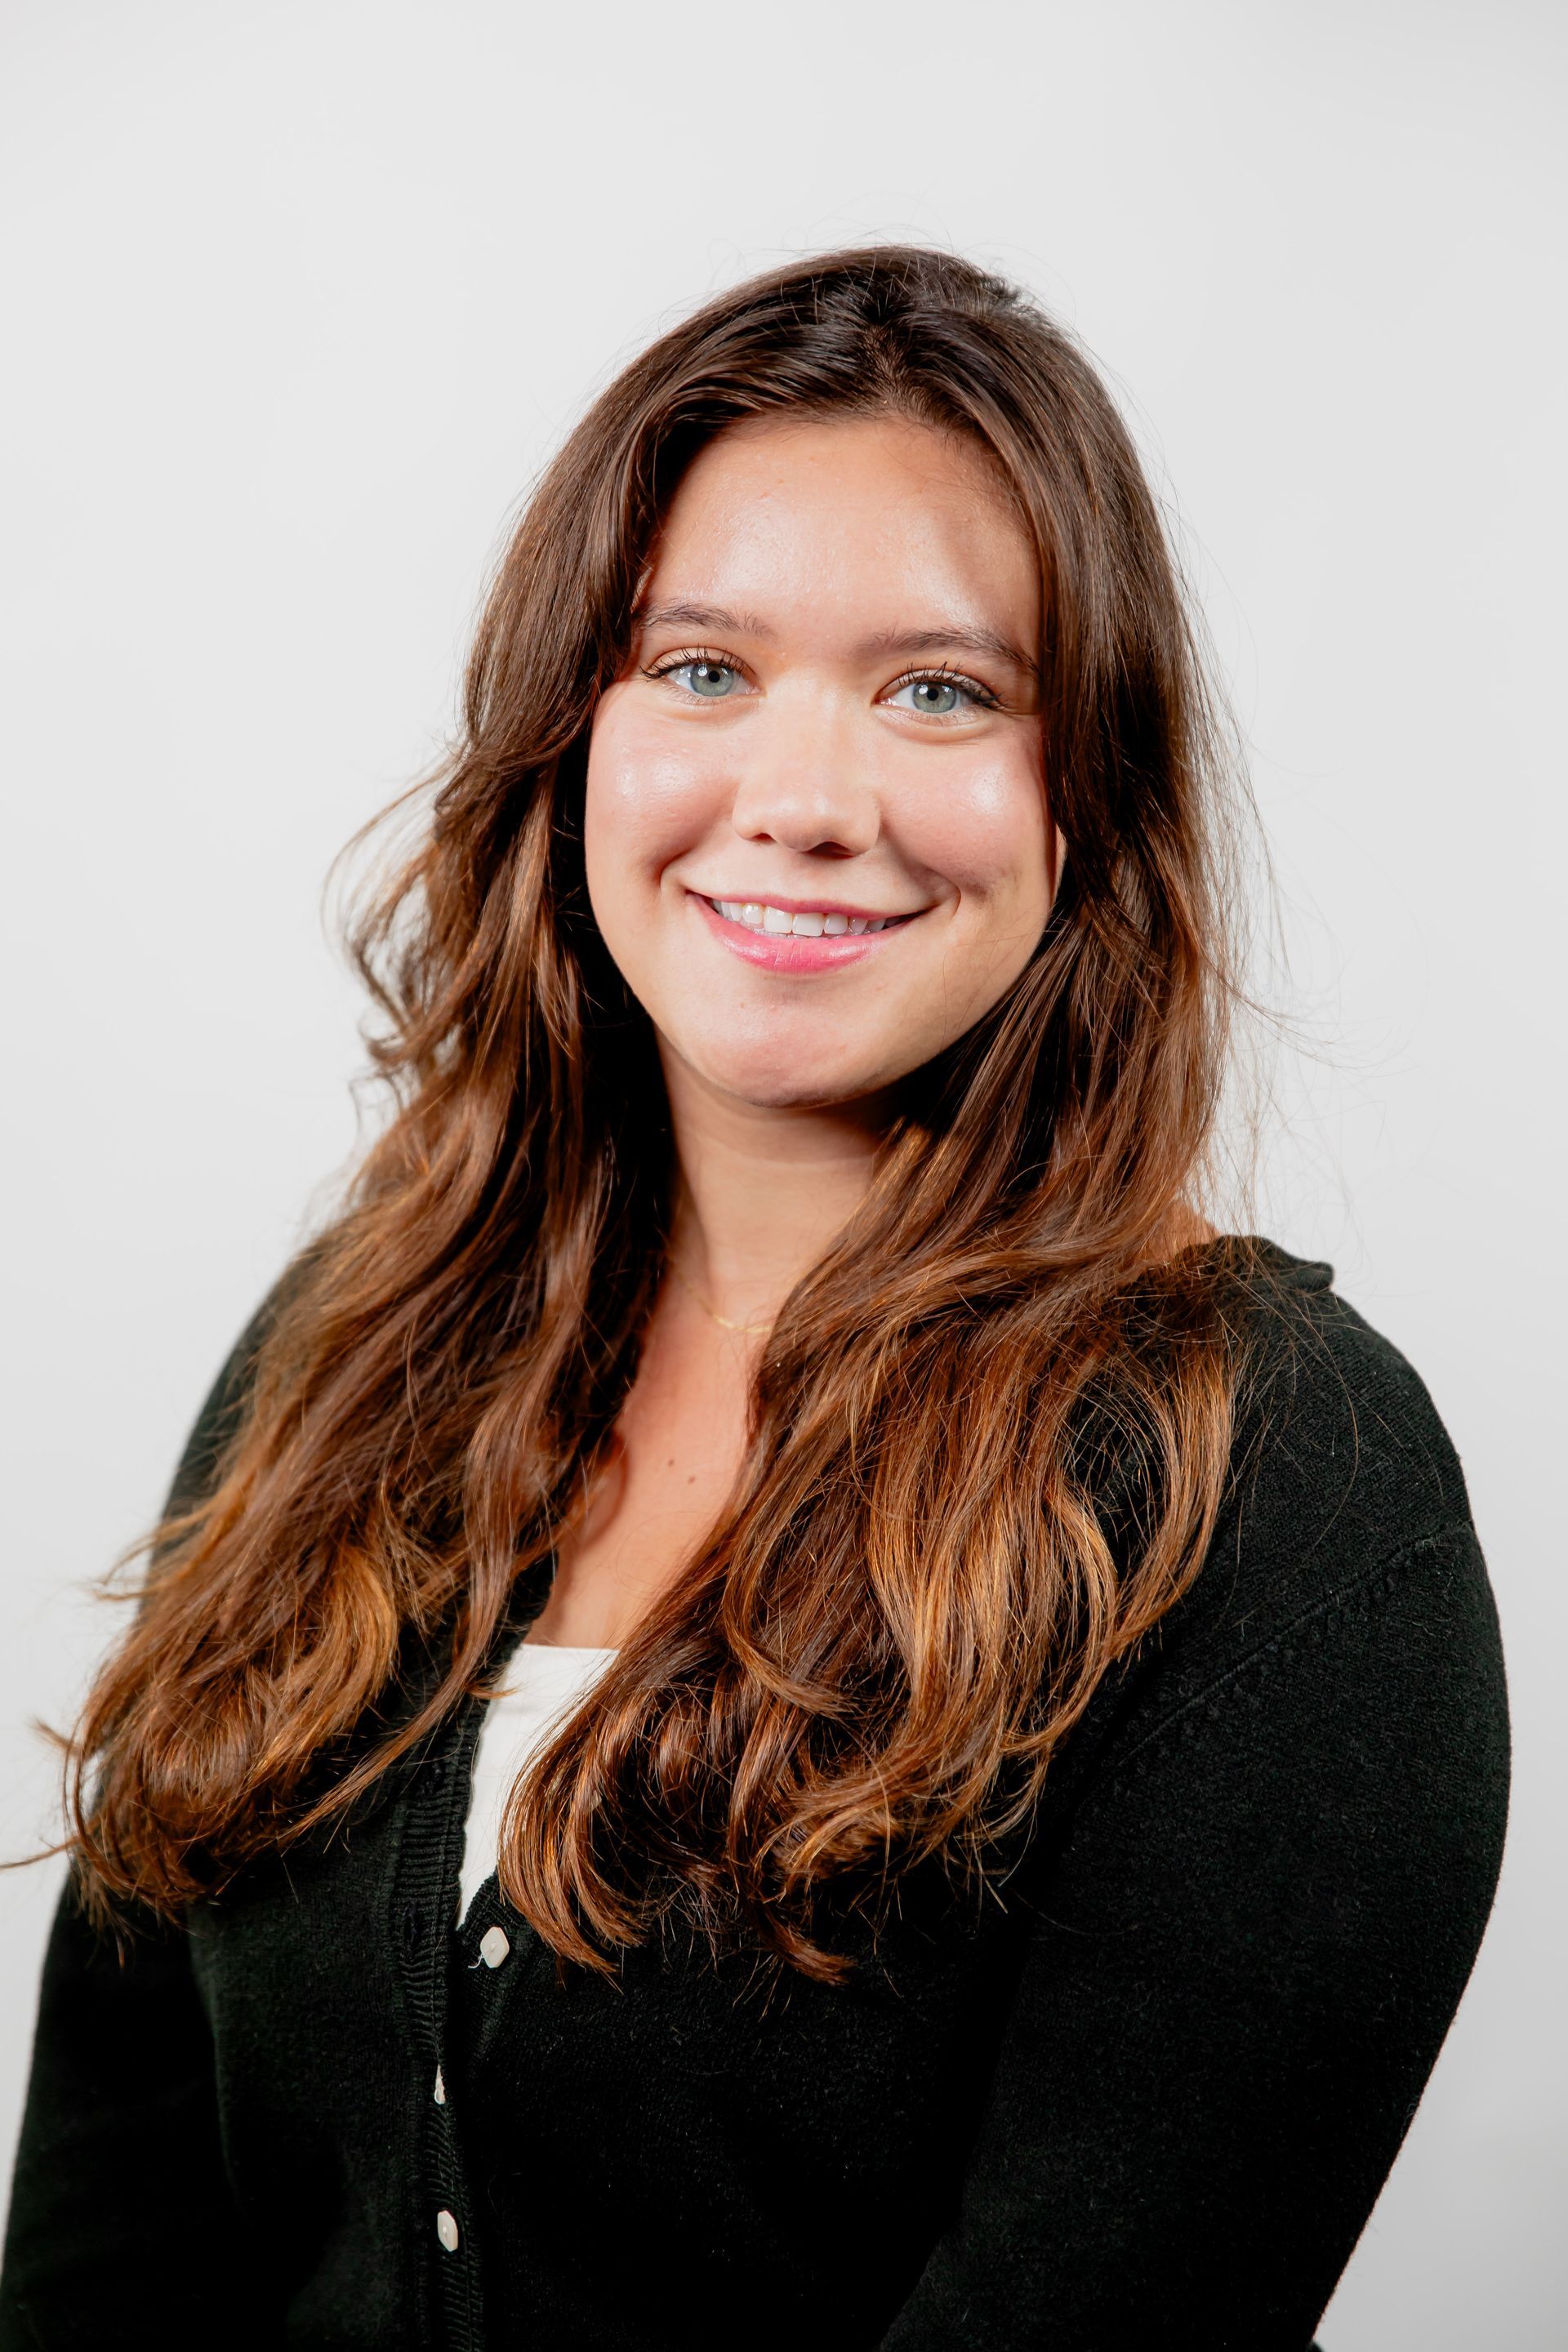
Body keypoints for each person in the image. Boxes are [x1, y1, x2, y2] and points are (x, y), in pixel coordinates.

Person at [0, 246, 1508, 2350]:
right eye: (703, 666)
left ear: (1091, 789)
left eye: (940, 690)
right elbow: (104, 2250)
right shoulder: (351, 1349)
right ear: (573, 737)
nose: (800, 801)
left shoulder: (1271, 1483)